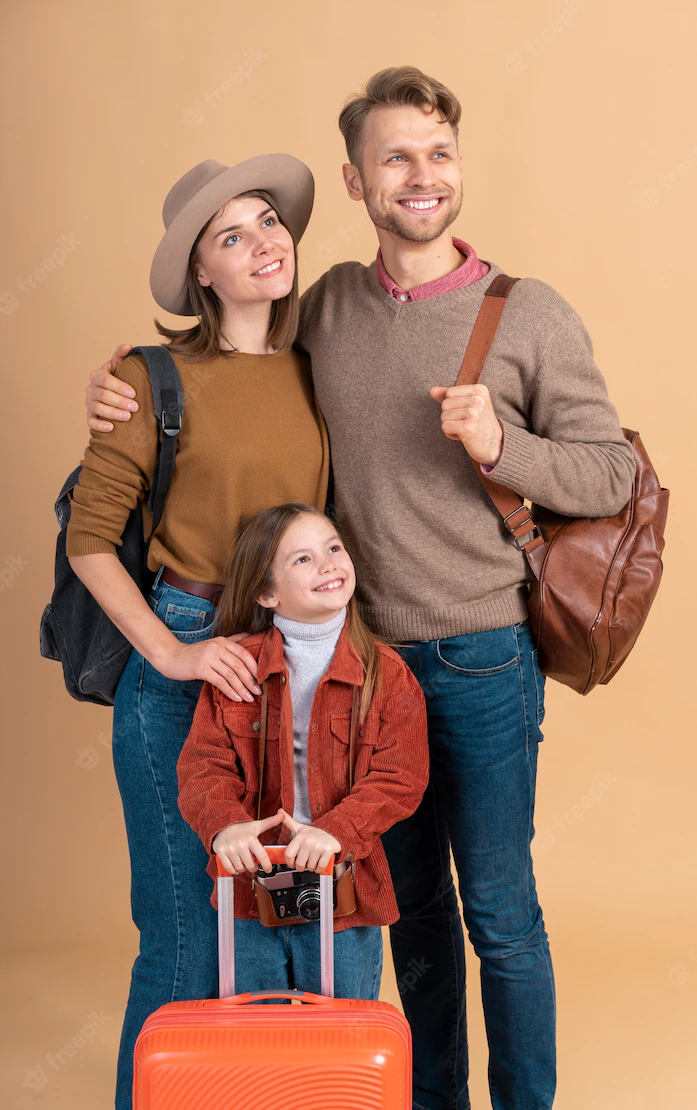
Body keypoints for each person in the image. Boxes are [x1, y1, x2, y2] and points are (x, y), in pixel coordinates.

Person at [83, 67, 635, 1110]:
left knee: (502, 916)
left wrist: (501, 443)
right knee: (403, 912)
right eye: (394, 156)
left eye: (436, 152)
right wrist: (117, 385)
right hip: (356, 667)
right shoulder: (326, 305)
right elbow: (220, 381)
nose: (419, 176)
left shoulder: (529, 313)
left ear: (457, 167)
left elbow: (606, 473)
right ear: (354, 180)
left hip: (476, 657)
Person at [66, 154, 331, 1110]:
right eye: (233, 236)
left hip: (293, 663)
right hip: (188, 657)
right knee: (187, 938)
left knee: (277, 932)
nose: (264, 242)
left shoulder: (315, 367)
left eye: (269, 220)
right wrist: (172, 652)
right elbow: (92, 538)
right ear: (200, 278)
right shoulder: (150, 378)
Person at [177, 502, 429, 1000]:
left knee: (342, 1035)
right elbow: (204, 765)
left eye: (333, 548)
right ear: (266, 593)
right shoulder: (236, 669)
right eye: (303, 559)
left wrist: (335, 831)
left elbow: (400, 776)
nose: (329, 563)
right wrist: (223, 824)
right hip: (252, 887)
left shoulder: (388, 673)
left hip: (343, 892)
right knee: (260, 1034)